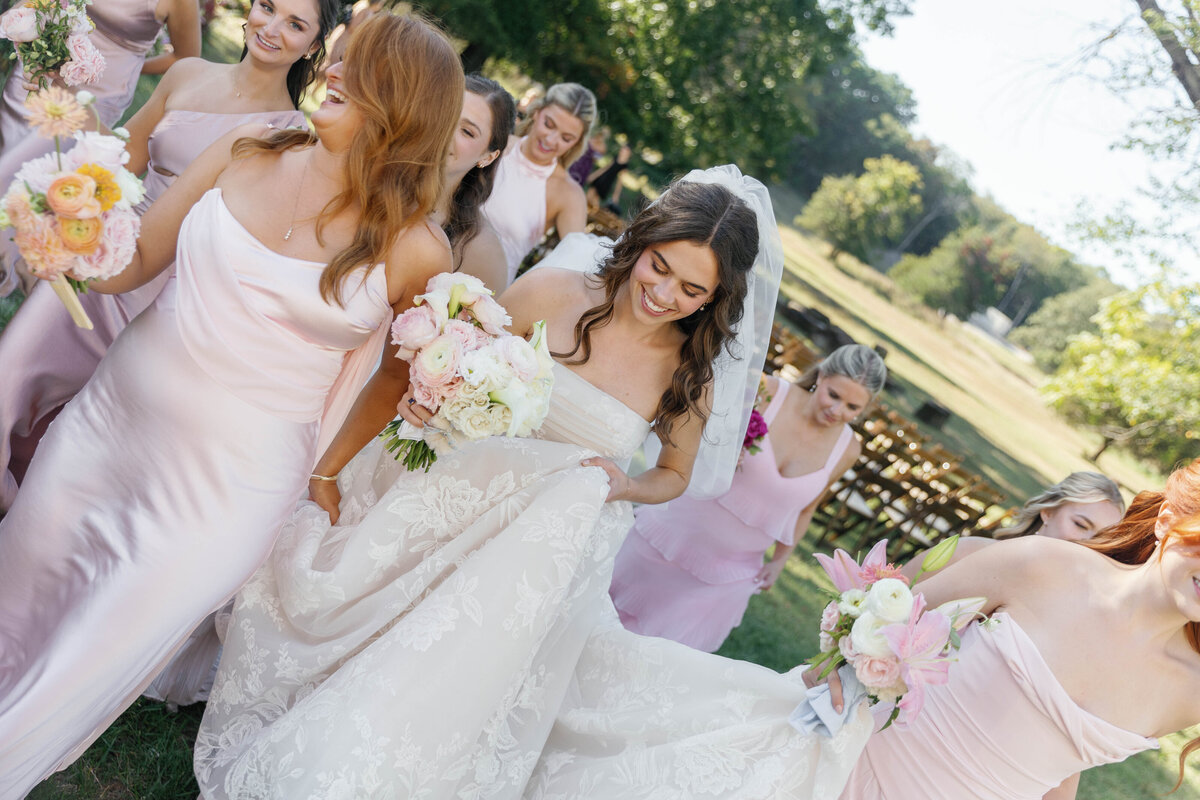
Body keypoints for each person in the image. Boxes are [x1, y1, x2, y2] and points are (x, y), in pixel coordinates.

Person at [192, 168, 835, 798]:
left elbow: (673, 476)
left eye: (692, 290)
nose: (664, 294)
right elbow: (459, 364)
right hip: (463, 490)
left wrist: (622, 485)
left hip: (545, 545)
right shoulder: (554, 291)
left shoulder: (689, 373)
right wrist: (426, 398)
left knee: (453, 657)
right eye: (659, 266)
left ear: (715, 299)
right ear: (640, 243)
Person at [0, 13, 464, 795]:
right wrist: (76, 239)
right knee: (19, 580)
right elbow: (137, 258)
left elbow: (394, 377)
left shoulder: (417, 248)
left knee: (100, 642)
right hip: (109, 424)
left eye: (360, 68)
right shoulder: (248, 148)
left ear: (405, 106)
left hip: (230, 489)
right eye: (339, 58)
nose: (334, 71)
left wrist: (331, 468)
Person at [0, 0, 339, 515]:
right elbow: (118, 157)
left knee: (78, 423)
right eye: (268, 8)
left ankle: (29, 514)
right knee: (14, 366)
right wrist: (65, 86)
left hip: (170, 293)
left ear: (314, 46)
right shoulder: (188, 73)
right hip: (108, 253)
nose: (272, 28)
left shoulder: (290, 136)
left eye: (295, 25)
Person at [838, 457, 1200, 800]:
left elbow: (1057, 759)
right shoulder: (1042, 565)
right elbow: (878, 624)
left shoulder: (1191, 693)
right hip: (852, 773)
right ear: (1167, 520)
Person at [610, 344, 886, 652]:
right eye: (834, 395)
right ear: (820, 376)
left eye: (852, 408)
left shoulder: (848, 449)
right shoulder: (767, 392)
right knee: (602, 620)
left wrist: (780, 561)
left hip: (730, 574)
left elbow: (807, 508)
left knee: (658, 658)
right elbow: (697, 436)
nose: (837, 411)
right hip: (667, 537)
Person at [0, 0, 202, 296]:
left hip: (98, 95)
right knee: (7, 154)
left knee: (43, 180)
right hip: (42, 68)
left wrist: (134, 65)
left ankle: (12, 262)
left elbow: (186, 58)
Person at [900, 471, 1126, 583]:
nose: (1087, 544)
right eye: (1080, 524)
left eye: (1100, 538)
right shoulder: (969, 553)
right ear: (1048, 512)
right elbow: (891, 594)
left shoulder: (1066, 606)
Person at [480, 81, 594, 283]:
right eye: (549, 124)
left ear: (577, 142)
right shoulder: (494, 144)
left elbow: (575, 268)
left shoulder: (569, 195)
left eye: (566, 138)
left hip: (484, 292)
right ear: (537, 112)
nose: (550, 140)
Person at [587, 140, 631, 214]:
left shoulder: (624, 167)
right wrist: (594, 175)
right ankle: (587, 213)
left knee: (594, 202)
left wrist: (615, 196)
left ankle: (592, 215)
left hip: (606, 184)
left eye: (625, 151)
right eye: (622, 149)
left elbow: (619, 183)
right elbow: (605, 168)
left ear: (628, 153)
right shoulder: (616, 158)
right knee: (588, 197)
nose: (622, 151)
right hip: (600, 179)